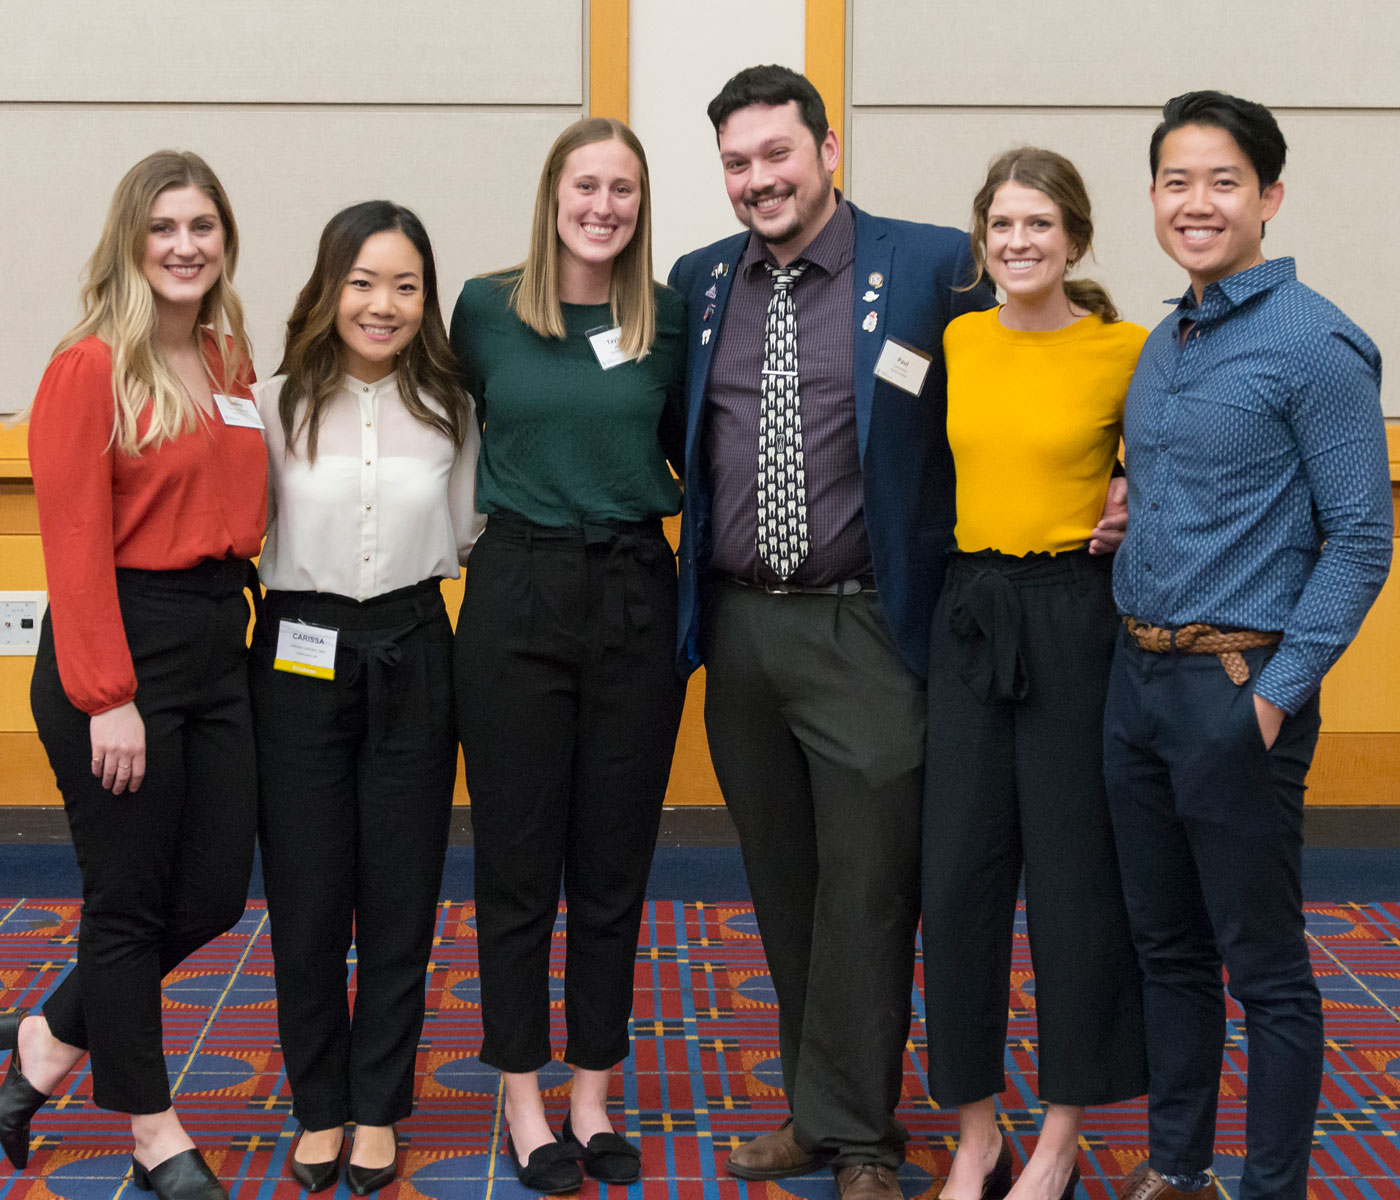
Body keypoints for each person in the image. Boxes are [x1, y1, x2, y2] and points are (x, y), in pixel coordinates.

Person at [667, 65, 1002, 1200]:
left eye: (776, 154)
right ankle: (821, 1116)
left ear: (825, 151)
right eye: (735, 163)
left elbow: (1022, 373)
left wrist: (1112, 476)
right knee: (785, 882)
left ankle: (861, 1139)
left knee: (867, 889)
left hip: (868, 631)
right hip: (741, 633)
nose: (757, 179)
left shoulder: (925, 264)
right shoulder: (698, 280)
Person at [1105, 91, 1391, 1200]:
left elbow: (1360, 539)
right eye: (1176, 180)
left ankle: (1269, 1185)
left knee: (1263, 968)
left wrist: (1272, 697)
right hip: (1135, 684)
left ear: (1267, 196)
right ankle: (1176, 1169)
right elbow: (1182, 493)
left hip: (1235, 688)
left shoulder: (1313, 345)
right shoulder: (1161, 343)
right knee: (1166, 952)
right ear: (1151, 198)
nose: (1195, 202)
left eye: (1221, 180)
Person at [1, 151, 265, 1200]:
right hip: (118, 646)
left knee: (208, 895)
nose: (186, 244)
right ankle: (154, 1129)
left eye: (203, 224)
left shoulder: (227, 356)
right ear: (130, 241)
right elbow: (71, 540)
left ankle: (43, 1045)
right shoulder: (87, 366)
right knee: (126, 901)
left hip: (217, 637)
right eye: (164, 227)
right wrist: (106, 693)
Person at [449, 116, 685, 1194]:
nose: (603, 205)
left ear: (640, 205)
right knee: (516, 864)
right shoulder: (484, 310)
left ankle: (591, 1089)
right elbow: (419, 422)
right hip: (516, 595)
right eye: (585, 185)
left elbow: (706, 451)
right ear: (552, 195)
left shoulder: (667, 319)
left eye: (622, 189)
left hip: (634, 591)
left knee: (610, 865)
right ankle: (523, 1094)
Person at [921, 148, 1148, 1200]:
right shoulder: (956, 339)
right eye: (1001, 225)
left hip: (1072, 619)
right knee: (956, 879)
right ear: (982, 238)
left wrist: (1131, 501)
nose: (1017, 243)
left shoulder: (1125, 351)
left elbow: (1175, 464)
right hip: (968, 617)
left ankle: (1057, 1135)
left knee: (1071, 885)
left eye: (1038, 226)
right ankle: (975, 1127)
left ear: (1074, 239)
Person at [249, 201, 481, 1195]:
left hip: (415, 644)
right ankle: (319, 1103)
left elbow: (468, 528)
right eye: (362, 282)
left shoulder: (455, 408)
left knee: (399, 895)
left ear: (425, 298)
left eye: (404, 285)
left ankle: (378, 1103)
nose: (382, 304)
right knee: (305, 900)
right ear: (327, 288)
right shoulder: (270, 404)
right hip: (297, 648)